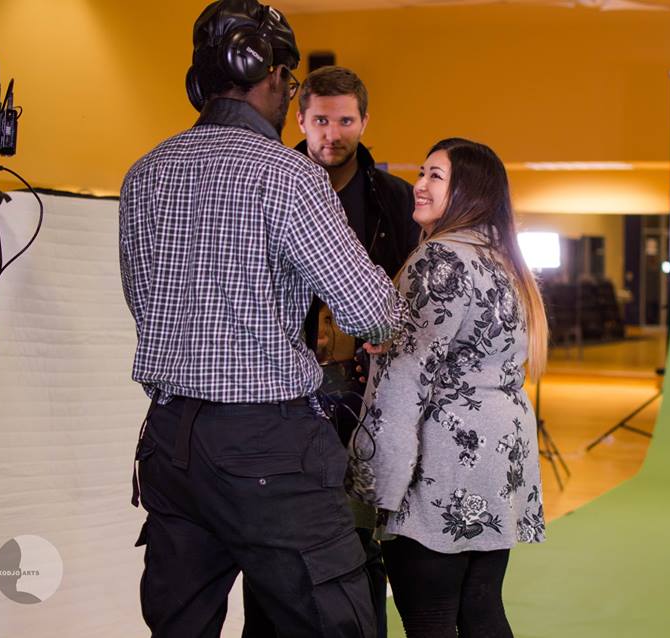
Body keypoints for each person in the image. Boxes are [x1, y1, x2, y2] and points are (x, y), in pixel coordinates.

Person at [119, 1, 406, 636]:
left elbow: (142, 301)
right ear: (270, 74)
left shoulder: (145, 173)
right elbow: (369, 310)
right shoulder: (288, 175)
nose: (289, 94)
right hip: (267, 446)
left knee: (179, 626)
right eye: (290, 79)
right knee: (339, 622)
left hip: (170, 442)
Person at [242, 65, 418, 638]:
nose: (332, 134)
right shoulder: (265, 182)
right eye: (321, 120)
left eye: (346, 120)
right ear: (300, 119)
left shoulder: (393, 200)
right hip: (274, 386)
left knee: (355, 538)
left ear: (365, 122)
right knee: (273, 537)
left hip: (362, 389)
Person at [347, 138, 548, 638]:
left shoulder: (438, 259)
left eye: (435, 176)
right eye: (422, 172)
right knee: (481, 609)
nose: (418, 185)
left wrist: (372, 486)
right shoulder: (504, 260)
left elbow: (402, 381)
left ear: (468, 192)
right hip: (500, 453)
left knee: (430, 617)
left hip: (443, 460)